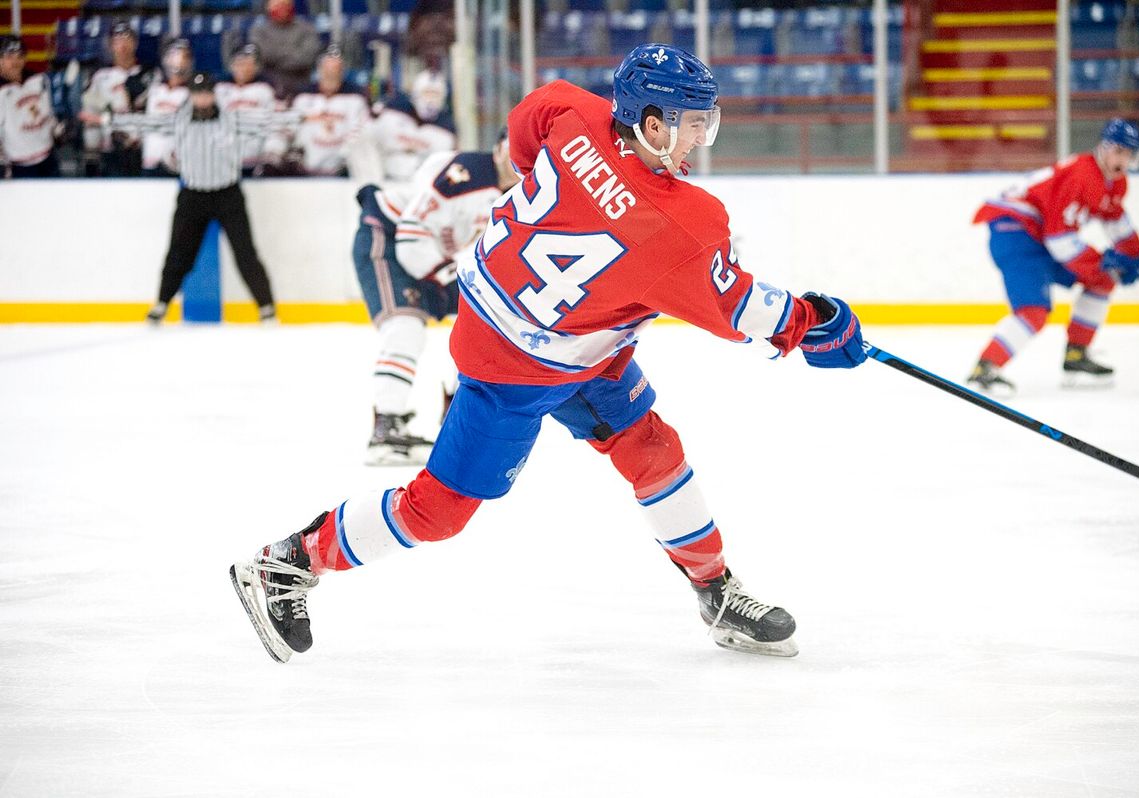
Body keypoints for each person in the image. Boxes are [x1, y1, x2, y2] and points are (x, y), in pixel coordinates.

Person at [230, 43, 866, 663]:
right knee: (440, 509)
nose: (702, 138)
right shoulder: (681, 223)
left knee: (653, 450)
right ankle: (287, 562)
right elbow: (745, 312)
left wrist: (567, 197)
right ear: (650, 123)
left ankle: (716, 592)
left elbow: (524, 126)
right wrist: (821, 326)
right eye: (693, 124)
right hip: (509, 368)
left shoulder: (572, 110)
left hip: (556, 333)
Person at [354, 129, 520, 466]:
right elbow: (412, 236)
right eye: (512, 146)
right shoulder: (465, 172)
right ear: (499, 147)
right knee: (405, 329)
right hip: (388, 237)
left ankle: (455, 412)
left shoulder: (525, 197)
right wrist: (448, 280)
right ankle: (386, 425)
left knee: (479, 329)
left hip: (435, 259)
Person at [967, 118, 1139, 394]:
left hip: (1037, 235)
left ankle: (1076, 356)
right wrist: (1105, 261)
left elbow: (1116, 223)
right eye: (1118, 151)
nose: (1123, 160)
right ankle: (985, 367)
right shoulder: (1082, 175)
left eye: (1128, 153)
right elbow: (1059, 240)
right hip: (1014, 230)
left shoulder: (1115, 183)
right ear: (1104, 147)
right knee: (1034, 310)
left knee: (1103, 279)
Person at [113, 73, 278, 323]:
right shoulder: (178, 120)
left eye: (206, 93)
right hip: (193, 195)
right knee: (178, 252)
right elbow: (146, 123)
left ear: (213, 94)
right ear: (191, 94)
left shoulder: (232, 119)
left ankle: (266, 307)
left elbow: (267, 121)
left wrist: (303, 119)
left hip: (228, 194)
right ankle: (161, 303)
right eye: (197, 93)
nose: (202, 98)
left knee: (245, 252)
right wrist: (107, 120)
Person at [78, 21, 146, 176]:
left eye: (127, 39)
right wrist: (92, 153)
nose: (123, 46)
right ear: (110, 45)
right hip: (111, 151)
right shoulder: (99, 77)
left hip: (141, 149)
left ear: (135, 43)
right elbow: (89, 114)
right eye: (117, 41)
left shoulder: (149, 74)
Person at [288, 47, 370, 176]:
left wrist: (345, 156)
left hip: (341, 169)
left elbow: (359, 132)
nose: (331, 75)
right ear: (319, 70)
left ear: (342, 72)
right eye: (327, 70)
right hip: (304, 168)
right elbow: (290, 128)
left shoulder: (356, 98)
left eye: (335, 70)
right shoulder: (302, 96)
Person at [370, 68, 456, 181]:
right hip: (384, 177)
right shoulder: (392, 112)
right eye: (427, 92)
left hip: (418, 184)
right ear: (416, 93)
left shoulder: (446, 130)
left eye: (435, 94)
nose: (430, 100)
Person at [215, 44, 283, 175]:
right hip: (222, 162)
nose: (244, 68)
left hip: (257, 163)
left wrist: (273, 152)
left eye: (249, 63)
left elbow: (278, 123)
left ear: (257, 67)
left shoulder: (268, 89)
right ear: (232, 65)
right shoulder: (218, 89)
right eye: (240, 63)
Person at [0, 35, 60, 178]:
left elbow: (48, 114)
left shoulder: (39, 80)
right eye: (9, 56)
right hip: (19, 165)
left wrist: (58, 130)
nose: (15, 61)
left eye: (20, 55)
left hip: (48, 158)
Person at [138, 38, 194, 176]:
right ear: (166, 59)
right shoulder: (153, 88)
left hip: (179, 165)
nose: (179, 61)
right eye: (174, 55)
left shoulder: (194, 92)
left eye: (184, 56)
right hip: (151, 161)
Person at [249, 0, 321, 102]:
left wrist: (276, 56)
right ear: (268, 8)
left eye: (285, 4)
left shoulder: (307, 29)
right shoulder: (259, 31)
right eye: (277, 5)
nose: (282, 9)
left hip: (301, 86)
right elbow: (262, 55)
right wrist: (291, 52)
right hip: (267, 86)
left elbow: (306, 58)